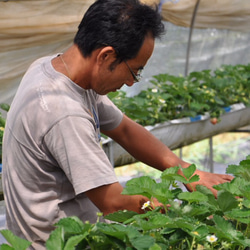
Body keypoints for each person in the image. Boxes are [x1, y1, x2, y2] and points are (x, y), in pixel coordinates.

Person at [2, 0, 233, 248]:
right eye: (134, 71)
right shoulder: (64, 113)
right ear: (106, 55)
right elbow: (113, 202)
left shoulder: (55, 69)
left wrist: (186, 170)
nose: (132, 83)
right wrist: (190, 209)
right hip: (57, 243)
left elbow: (124, 129)